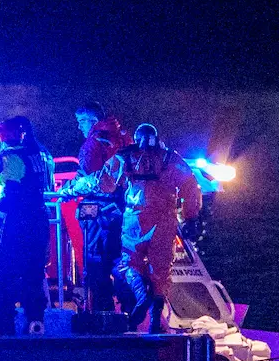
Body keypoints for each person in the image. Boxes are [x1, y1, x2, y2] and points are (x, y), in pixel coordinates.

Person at [70, 123, 199, 333]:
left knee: (129, 262)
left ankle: (142, 295)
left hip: (135, 219)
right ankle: (156, 321)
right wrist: (190, 215)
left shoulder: (125, 157)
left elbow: (103, 183)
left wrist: (71, 189)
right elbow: (190, 186)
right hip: (165, 221)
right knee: (161, 270)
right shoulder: (172, 159)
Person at [0, 115, 52, 335]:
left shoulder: (11, 157)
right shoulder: (41, 155)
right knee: (33, 272)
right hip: (39, 221)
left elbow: (8, 193)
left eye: (0, 133)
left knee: (3, 269)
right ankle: (35, 322)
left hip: (17, 223)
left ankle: (4, 322)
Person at [71, 102, 127, 313]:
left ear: (92, 121)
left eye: (81, 122)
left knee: (95, 263)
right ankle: (129, 309)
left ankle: (102, 314)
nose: (79, 127)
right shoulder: (123, 138)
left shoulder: (93, 144)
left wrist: (67, 191)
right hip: (122, 210)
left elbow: (86, 178)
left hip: (98, 211)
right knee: (121, 260)